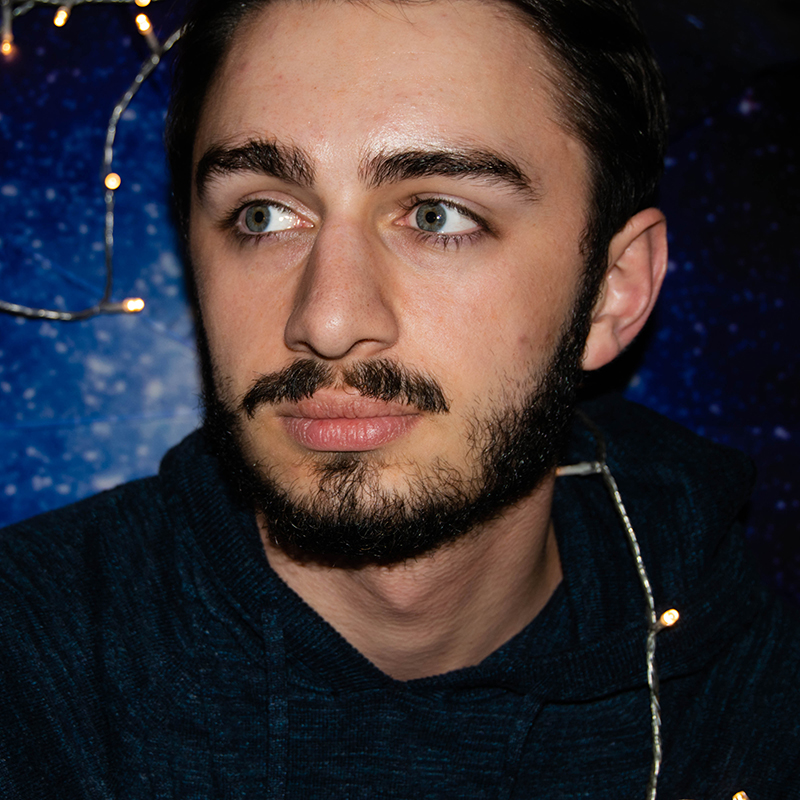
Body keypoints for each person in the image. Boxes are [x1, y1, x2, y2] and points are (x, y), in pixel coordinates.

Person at [1, 0, 798, 797]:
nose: (329, 320)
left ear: (612, 293)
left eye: (437, 214)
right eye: (264, 214)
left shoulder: (755, 711)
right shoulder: (28, 671)